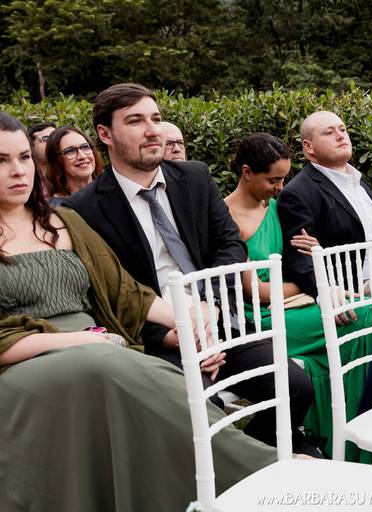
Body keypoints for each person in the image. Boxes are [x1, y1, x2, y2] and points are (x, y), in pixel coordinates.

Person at [0, 111, 276, 512]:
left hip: (98, 352)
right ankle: (262, 473)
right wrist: (80, 342)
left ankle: (209, 489)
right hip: (23, 365)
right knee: (110, 367)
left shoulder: (64, 220)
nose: (18, 170)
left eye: (24, 157)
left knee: (161, 377)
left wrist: (192, 319)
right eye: (2, 160)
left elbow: (126, 293)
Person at [64, 83, 317, 455]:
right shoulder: (83, 209)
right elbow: (104, 294)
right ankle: (228, 470)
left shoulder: (194, 178)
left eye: (156, 118)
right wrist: (171, 335)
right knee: (202, 410)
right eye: (135, 121)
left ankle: (257, 456)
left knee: (296, 386)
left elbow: (230, 243)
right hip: (157, 339)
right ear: (105, 134)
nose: (152, 130)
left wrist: (210, 307)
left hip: (218, 318)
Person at [225, 132, 372, 458]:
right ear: (246, 172)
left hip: (294, 305)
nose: (280, 187)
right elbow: (256, 290)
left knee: (365, 312)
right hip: (261, 318)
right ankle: (350, 441)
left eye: (283, 179)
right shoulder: (227, 216)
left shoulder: (276, 207)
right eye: (273, 180)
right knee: (361, 315)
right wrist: (303, 285)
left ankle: (347, 434)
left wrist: (316, 253)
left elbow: (299, 262)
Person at [277, 110, 372, 302]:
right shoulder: (298, 193)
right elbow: (299, 258)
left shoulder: (358, 180)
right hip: (360, 286)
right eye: (329, 132)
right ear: (308, 147)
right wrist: (326, 291)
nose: (341, 136)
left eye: (342, 129)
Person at [45, 126, 103, 205]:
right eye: (70, 151)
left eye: (85, 147)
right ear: (56, 161)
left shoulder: (113, 190)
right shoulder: (58, 208)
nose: (82, 156)